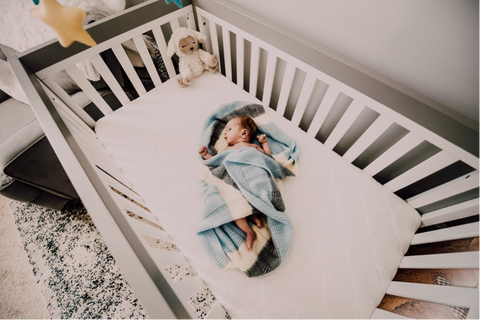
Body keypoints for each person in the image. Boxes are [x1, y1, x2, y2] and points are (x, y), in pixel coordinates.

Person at [198, 116, 271, 251]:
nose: (225, 133)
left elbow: (268, 158)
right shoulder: (226, 150)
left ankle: (254, 215)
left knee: (249, 199)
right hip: (233, 181)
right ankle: (249, 231)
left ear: (244, 133)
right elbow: (216, 161)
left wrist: (265, 144)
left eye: (229, 129)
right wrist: (206, 155)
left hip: (250, 179)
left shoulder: (253, 146)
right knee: (235, 206)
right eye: (225, 130)